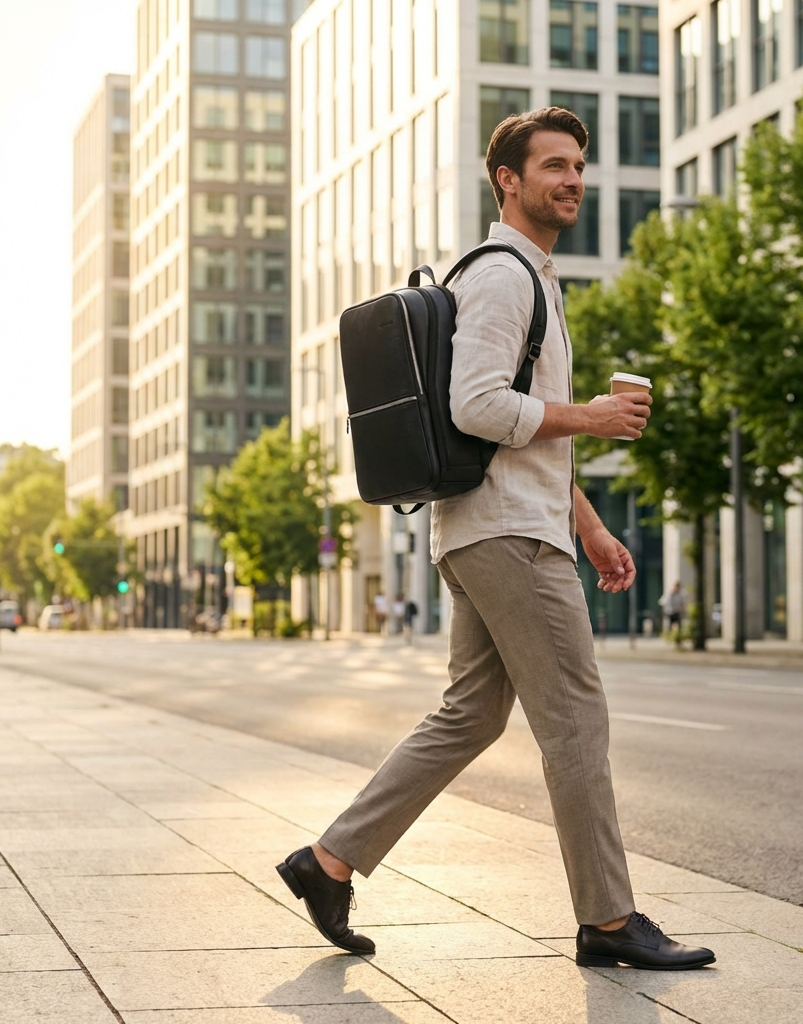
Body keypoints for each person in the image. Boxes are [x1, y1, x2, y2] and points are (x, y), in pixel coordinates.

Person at [276, 107, 715, 972]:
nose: (573, 180)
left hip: (498, 525)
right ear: (507, 181)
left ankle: (326, 863)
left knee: (469, 715)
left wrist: (586, 525)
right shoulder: (507, 275)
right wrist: (590, 415)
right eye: (553, 166)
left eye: (578, 166)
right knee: (576, 720)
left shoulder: (532, 278)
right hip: (509, 538)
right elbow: (475, 406)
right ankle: (608, 918)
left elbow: (517, 429)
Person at [661, 581, 686, 649]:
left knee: (679, 627)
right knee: (670, 626)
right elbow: (663, 601)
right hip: (670, 612)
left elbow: (682, 603)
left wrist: (682, 612)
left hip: (677, 612)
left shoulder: (681, 594)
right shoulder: (669, 593)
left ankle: (678, 640)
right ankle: (670, 639)